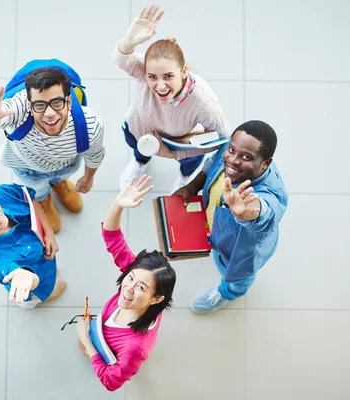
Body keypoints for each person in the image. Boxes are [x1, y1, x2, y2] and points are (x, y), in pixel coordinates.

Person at [113, 4, 231, 192]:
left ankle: (185, 177)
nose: (160, 86)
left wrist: (171, 153)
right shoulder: (143, 68)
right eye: (152, 77)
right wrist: (129, 40)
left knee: (190, 164)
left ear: (183, 72)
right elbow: (122, 59)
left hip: (180, 140)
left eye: (168, 76)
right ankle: (139, 163)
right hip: (142, 131)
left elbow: (220, 139)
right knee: (140, 149)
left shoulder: (204, 103)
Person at [173, 120, 288, 313]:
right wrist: (192, 187)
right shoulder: (230, 150)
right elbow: (212, 163)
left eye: (246, 157)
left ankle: (228, 293)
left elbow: (267, 213)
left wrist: (246, 214)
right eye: (232, 150)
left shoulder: (270, 194)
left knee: (235, 276)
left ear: (265, 163)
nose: (233, 160)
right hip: (216, 229)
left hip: (239, 250)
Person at [0, 67, 105, 233]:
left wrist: (88, 178)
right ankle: (43, 199)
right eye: (40, 105)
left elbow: (95, 154)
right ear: (29, 105)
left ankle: (60, 185)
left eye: (57, 102)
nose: (49, 114)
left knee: (62, 175)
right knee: (37, 189)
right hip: (28, 170)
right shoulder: (18, 109)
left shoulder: (89, 123)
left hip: (66, 164)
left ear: (69, 101)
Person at [76, 175, 176, 391]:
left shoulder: (134, 348)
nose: (128, 288)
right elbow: (111, 236)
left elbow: (111, 382)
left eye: (141, 287)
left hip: (111, 349)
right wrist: (117, 205)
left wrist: (86, 342)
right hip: (102, 335)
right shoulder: (138, 277)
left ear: (156, 299)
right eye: (130, 278)